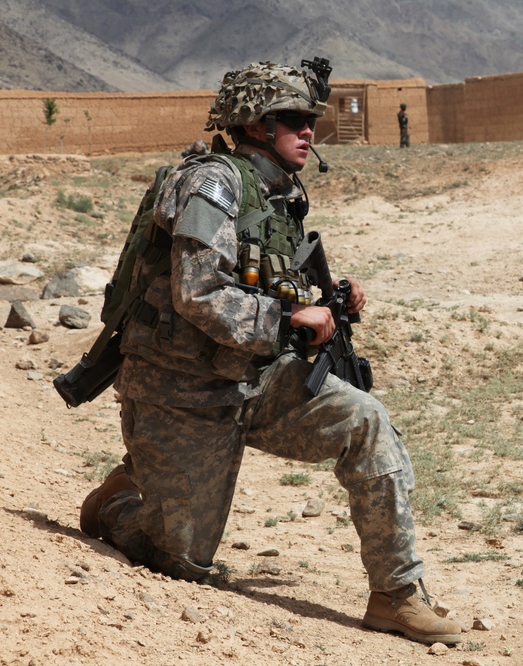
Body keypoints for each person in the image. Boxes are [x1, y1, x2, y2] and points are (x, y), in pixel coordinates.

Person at [78, 60, 463, 646]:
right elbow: (200, 294)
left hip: (255, 378)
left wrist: (326, 301)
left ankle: (397, 593)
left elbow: (264, 281)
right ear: (256, 124)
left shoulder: (278, 190)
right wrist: (288, 319)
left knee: (365, 419)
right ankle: (119, 503)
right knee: (179, 562)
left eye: (310, 120)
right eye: (294, 120)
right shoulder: (210, 184)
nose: (309, 132)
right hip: (181, 391)